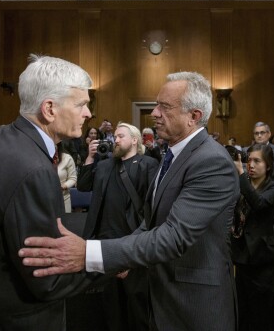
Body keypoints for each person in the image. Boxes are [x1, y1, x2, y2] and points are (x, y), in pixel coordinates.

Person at [20, 71, 240, 331]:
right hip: (161, 300)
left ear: (194, 116)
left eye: (164, 106)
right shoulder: (175, 155)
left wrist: (89, 253)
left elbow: (173, 236)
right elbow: (151, 222)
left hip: (194, 307)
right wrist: (122, 258)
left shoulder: (210, 161)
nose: (155, 113)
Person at [0, 55, 96, 330]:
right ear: (49, 108)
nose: (88, 113)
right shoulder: (34, 169)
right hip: (15, 318)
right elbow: (46, 279)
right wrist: (105, 263)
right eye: (82, 104)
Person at [80, 122, 159, 331]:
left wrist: (134, 251)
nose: (116, 139)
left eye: (121, 136)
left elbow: (152, 209)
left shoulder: (148, 164)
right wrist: (90, 158)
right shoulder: (105, 165)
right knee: (111, 310)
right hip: (105, 244)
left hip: (132, 242)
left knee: (137, 308)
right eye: (115, 136)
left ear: (135, 140)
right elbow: (83, 186)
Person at [231, 144, 274, 331]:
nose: (251, 165)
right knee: (242, 311)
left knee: (260, 314)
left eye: (257, 161)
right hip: (240, 255)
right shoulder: (242, 182)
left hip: (262, 258)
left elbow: (259, 203)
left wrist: (240, 175)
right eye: (249, 160)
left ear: (268, 165)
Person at [57, 141, 77, 213]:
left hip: (63, 198)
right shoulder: (41, 157)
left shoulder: (67, 158)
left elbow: (73, 178)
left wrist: (63, 186)